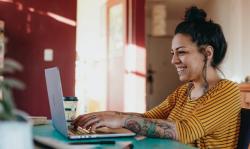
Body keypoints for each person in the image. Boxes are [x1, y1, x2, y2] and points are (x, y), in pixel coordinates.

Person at [72, 6, 240, 149]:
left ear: (207, 53)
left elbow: (184, 131)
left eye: (181, 52)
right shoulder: (183, 92)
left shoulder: (227, 90)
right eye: (173, 53)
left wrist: (121, 120)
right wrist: (103, 116)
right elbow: (147, 118)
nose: (173, 60)